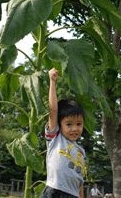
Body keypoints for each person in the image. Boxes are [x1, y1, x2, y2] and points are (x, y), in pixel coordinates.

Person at [40, 68, 86, 198]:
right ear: (60, 125)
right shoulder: (55, 138)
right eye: (69, 124)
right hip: (54, 191)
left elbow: (80, 180)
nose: (75, 129)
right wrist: (52, 81)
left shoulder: (81, 152)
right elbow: (53, 110)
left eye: (79, 124)